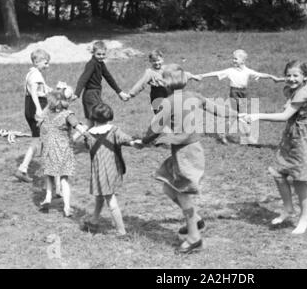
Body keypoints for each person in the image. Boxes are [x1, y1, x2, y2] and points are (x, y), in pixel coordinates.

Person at [133, 64, 239, 253]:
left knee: (183, 195)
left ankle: (194, 238)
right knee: (168, 187)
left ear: (165, 82)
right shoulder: (195, 96)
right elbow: (218, 110)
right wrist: (238, 114)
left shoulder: (168, 102)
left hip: (186, 153)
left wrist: (143, 142)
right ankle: (197, 222)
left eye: (161, 79)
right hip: (187, 151)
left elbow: (155, 128)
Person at [240, 60, 307, 234]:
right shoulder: (295, 89)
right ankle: (288, 208)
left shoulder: (304, 92)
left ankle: (304, 217)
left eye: (296, 75)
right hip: (291, 136)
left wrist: (257, 116)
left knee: (299, 179)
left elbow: (285, 115)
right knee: (278, 173)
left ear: (305, 77)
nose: (291, 78)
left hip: (304, 138)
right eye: (289, 75)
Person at [195, 49, 283, 144]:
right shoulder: (230, 71)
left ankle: (225, 134)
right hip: (234, 93)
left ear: (243, 61)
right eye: (233, 59)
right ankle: (248, 138)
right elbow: (216, 73)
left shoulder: (247, 71)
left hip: (243, 94)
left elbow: (260, 75)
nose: (233, 61)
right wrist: (202, 75)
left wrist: (272, 77)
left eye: (236, 59)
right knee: (239, 115)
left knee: (238, 116)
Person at [82, 103, 136, 236]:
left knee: (109, 199)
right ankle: (95, 222)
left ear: (93, 117)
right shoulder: (114, 130)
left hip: (99, 172)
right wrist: (134, 142)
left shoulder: (88, 135)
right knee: (103, 196)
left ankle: (121, 231)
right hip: (112, 170)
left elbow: (87, 146)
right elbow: (126, 139)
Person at [38, 87, 86, 216]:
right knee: (64, 178)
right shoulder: (67, 114)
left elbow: (41, 127)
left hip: (47, 148)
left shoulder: (46, 115)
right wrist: (85, 133)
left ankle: (47, 198)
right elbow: (79, 127)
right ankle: (66, 207)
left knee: (49, 174)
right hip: (63, 150)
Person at [14, 49, 52, 183]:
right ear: (37, 62)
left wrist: (58, 90)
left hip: (30, 107)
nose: (47, 66)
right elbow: (35, 94)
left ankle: (23, 169)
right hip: (36, 107)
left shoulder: (32, 73)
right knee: (44, 138)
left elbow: (45, 89)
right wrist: (38, 110)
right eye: (45, 63)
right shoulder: (35, 75)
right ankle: (45, 167)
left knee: (37, 139)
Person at [73, 41, 130, 129]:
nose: (101, 56)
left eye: (103, 54)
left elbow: (109, 78)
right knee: (98, 118)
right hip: (90, 95)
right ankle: (76, 140)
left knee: (92, 122)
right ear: (93, 53)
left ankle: (84, 140)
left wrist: (119, 92)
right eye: (98, 54)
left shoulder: (100, 64)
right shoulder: (91, 64)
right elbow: (83, 79)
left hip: (96, 94)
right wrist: (77, 93)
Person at [127, 49, 200, 114]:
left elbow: (179, 75)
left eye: (158, 60)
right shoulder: (149, 72)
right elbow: (141, 83)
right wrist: (131, 94)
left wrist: (193, 76)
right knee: (160, 115)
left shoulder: (167, 69)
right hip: (157, 94)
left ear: (162, 59)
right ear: (150, 61)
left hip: (170, 92)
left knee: (174, 113)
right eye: (154, 61)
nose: (156, 63)